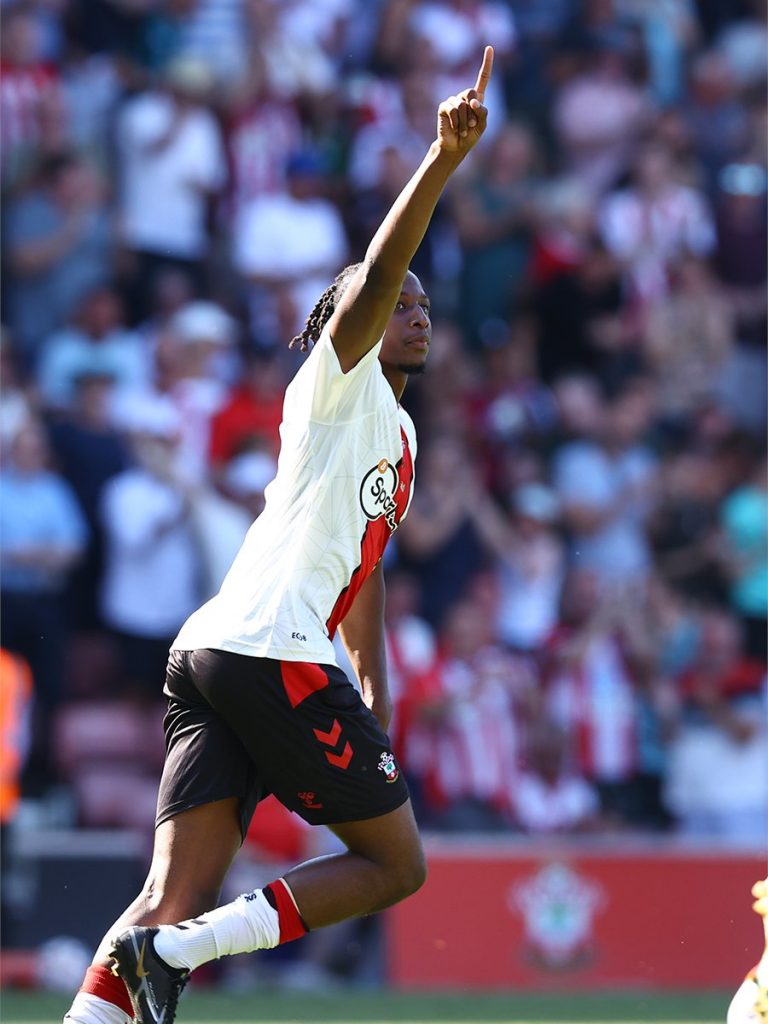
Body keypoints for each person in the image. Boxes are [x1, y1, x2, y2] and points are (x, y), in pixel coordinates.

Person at [63, 45, 495, 1024]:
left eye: (426, 305)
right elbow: (378, 272)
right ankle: (183, 952)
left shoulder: (398, 433)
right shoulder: (337, 383)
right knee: (396, 864)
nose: (416, 312)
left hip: (222, 648)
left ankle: (136, 974)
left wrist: (373, 686)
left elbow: (364, 568)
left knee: (167, 893)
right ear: (350, 317)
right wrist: (441, 160)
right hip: (268, 649)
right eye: (400, 304)